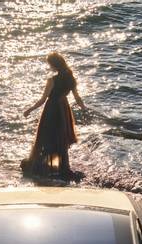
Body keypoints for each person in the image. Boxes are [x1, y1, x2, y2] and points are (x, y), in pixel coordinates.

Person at [22, 52, 87, 180]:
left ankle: (43, 167)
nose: (49, 66)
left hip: (51, 110)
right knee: (60, 138)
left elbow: (42, 100)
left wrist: (30, 109)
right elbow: (77, 98)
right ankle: (63, 167)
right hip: (63, 109)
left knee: (47, 137)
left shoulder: (52, 80)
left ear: (54, 65)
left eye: (50, 64)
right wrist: (84, 109)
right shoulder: (71, 79)